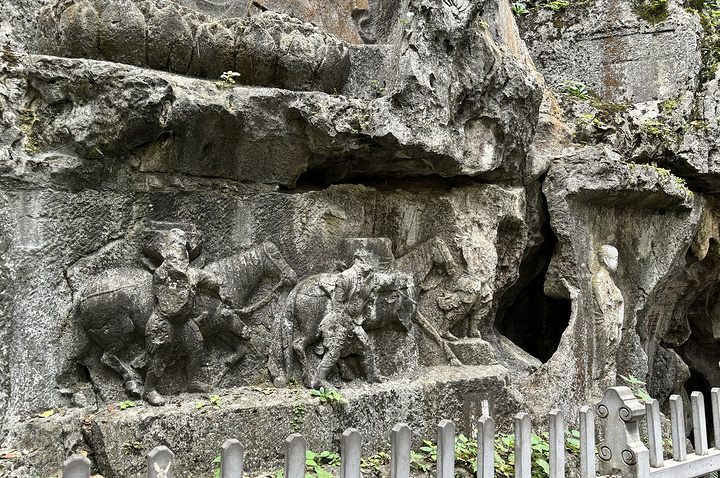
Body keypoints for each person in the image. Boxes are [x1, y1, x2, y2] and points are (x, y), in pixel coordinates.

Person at [143, 229, 219, 406]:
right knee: (160, 353)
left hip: (182, 322)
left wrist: (215, 283)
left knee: (197, 345)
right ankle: (149, 390)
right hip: (163, 320)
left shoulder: (193, 274)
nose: (178, 253)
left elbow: (212, 281)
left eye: (181, 248)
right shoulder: (161, 273)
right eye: (174, 247)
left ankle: (192, 382)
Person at [313, 254, 377, 389]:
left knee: (365, 346)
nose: (368, 265)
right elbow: (337, 304)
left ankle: (372, 376)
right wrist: (346, 322)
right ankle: (319, 379)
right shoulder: (346, 277)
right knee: (334, 350)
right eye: (365, 262)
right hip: (338, 321)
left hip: (354, 321)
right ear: (358, 261)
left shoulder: (368, 278)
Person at [591, 244, 624, 392]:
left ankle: (607, 385)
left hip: (612, 322)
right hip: (604, 322)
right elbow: (604, 304)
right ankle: (598, 385)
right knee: (602, 355)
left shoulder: (609, 279)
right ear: (605, 260)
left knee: (610, 357)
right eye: (615, 259)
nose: (617, 263)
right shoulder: (599, 278)